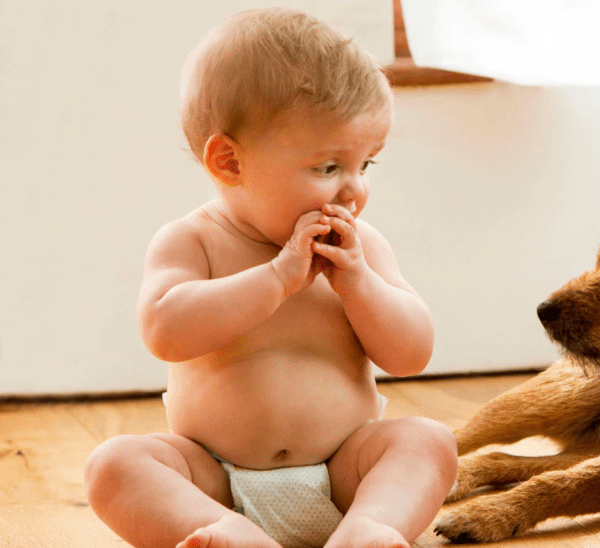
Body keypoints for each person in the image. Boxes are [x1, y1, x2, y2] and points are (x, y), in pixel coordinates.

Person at [84, 8, 457, 548]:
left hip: (341, 474)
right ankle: (226, 533)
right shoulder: (192, 241)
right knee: (114, 465)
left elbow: (411, 353)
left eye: (365, 165)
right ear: (229, 162)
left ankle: (368, 530)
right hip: (215, 478)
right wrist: (276, 279)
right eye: (328, 168)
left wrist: (358, 285)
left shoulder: (361, 249)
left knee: (428, 442)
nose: (354, 191)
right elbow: (164, 329)